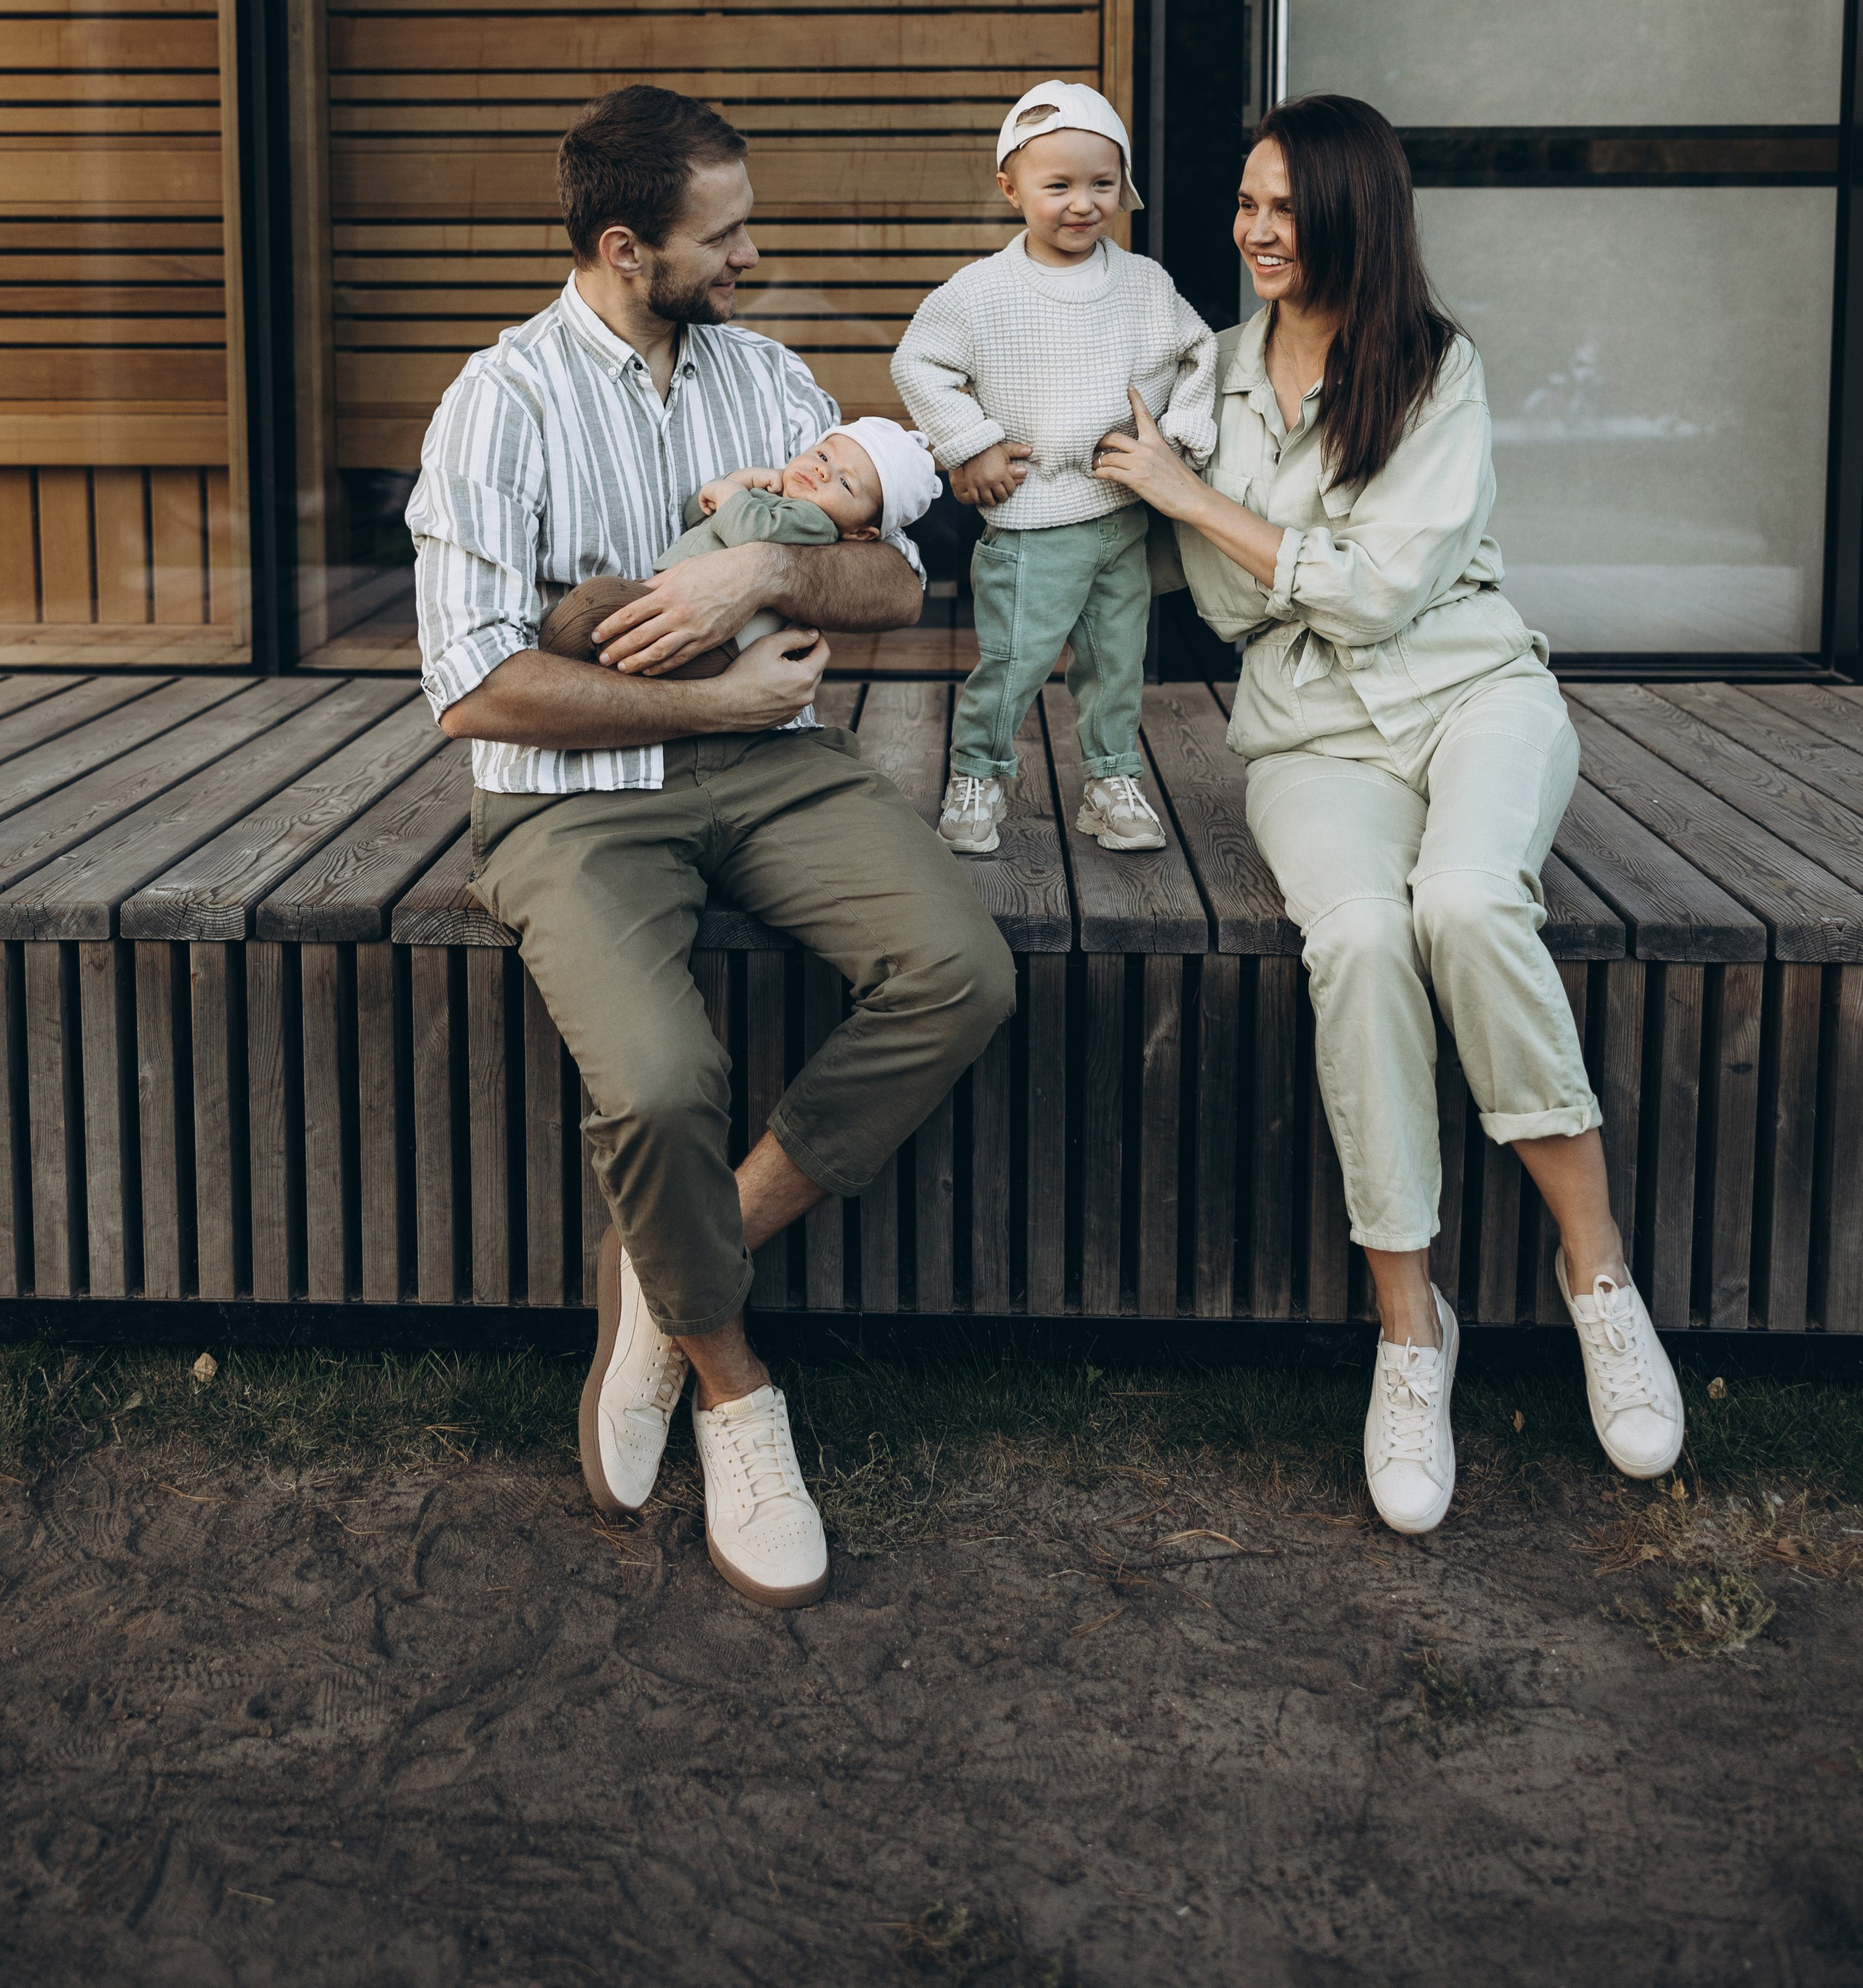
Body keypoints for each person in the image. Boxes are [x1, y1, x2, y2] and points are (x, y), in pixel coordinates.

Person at [408, 84, 1017, 1609]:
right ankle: (736, 1389)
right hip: (568, 799)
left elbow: (896, 591)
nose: (748, 257)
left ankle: (671, 1267)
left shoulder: (766, 378)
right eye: (720, 235)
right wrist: (712, 681)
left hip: (771, 773)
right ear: (626, 247)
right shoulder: (500, 400)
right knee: (665, 1078)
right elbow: (474, 682)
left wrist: (760, 560)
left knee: (959, 972)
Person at [1092, 93, 1684, 1536]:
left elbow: (1376, 592)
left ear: (1358, 210)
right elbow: (1239, 600)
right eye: (1242, 203)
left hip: (1474, 694)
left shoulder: (1432, 368)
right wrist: (1267, 537)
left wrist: (1199, 502)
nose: (1253, 230)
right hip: (1305, 739)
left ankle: (1594, 1276)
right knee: (1357, 938)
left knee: (1466, 903)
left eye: (1284, 205)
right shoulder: (1205, 372)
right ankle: (1410, 1330)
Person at [891, 79, 1217, 856]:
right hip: (1029, 522)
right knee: (1012, 663)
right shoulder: (982, 292)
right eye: (1058, 186)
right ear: (1011, 190)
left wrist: (1179, 434)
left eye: (1102, 185)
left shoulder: (1145, 285)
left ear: (1124, 187)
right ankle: (978, 773)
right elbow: (919, 364)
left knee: (1116, 664)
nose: (1082, 204)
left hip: (1120, 515)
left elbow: (1198, 349)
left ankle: (1111, 779)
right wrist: (970, 442)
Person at [534, 418, 940, 673]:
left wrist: (732, 491)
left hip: (719, 646)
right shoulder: (777, 505)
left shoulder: (814, 524)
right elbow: (700, 518)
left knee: (597, 601)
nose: (822, 470)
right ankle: (567, 658)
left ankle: (555, 653)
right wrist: (735, 485)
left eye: (846, 483)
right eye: (822, 454)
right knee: (608, 616)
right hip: (667, 601)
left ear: (861, 533)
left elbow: (749, 533)